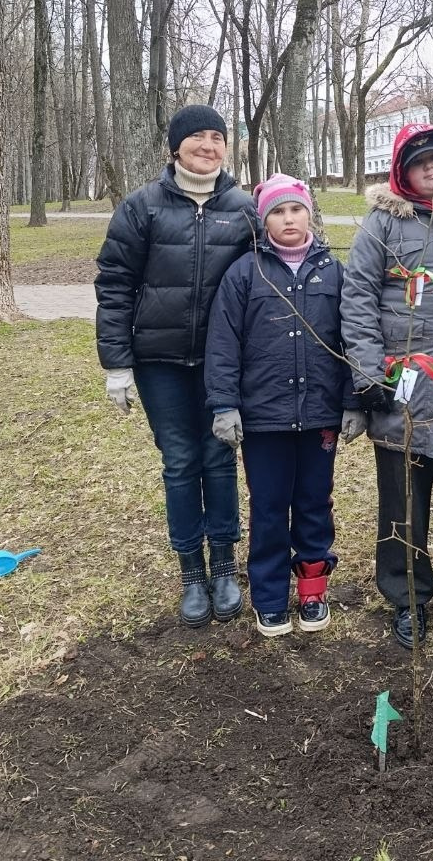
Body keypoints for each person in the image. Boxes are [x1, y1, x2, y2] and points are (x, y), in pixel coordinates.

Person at [95, 105, 257, 628]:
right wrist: (117, 364)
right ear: (175, 146)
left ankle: (225, 566)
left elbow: (268, 277)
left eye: (218, 137)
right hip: (159, 362)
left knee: (218, 458)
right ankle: (191, 571)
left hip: (221, 362)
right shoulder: (142, 206)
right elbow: (115, 285)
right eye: (197, 138)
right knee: (181, 462)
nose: (208, 146)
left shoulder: (243, 207)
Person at [340, 124, 433, 648]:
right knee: (404, 495)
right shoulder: (383, 223)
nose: (431, 169)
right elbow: (357, 296)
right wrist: (367, 372)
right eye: (419, 162)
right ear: (402, 171)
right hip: (404, 383)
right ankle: (408, 596)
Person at [205, 174, 355, 638]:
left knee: (314, 503)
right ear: (263, 219)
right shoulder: (245, 273)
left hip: (320, 417)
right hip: (264, 418)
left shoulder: (333, 272)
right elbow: (224, 344)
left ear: (309, 212)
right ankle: (269, 597)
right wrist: (224, 404)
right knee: (269, 507)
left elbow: (352, 340)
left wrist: (354, 402)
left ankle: (312, 589)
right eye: (277, 211)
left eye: (295, 209)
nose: (288, 219)